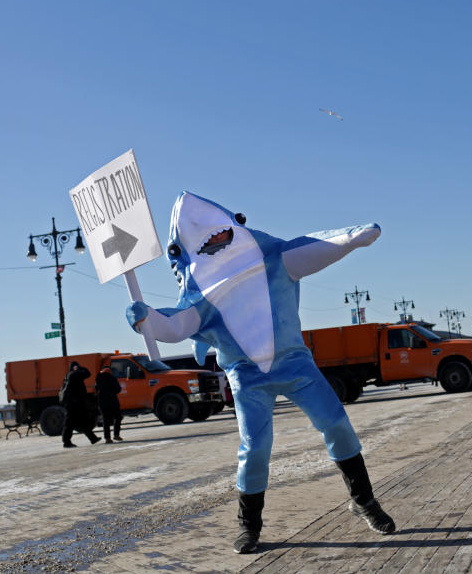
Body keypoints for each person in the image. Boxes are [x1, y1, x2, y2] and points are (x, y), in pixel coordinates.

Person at [127, 192, 395, 554]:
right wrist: (147, 319)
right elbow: (175, 325)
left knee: (336, 424)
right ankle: (249, 526)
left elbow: (316, 247)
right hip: (246, 376)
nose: (213, 236)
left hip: (295, 364)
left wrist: (352, 237)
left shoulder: (274, 258)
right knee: (254, 450)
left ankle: (363, 501)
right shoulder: (201, 296)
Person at [61, 361, 100, 448]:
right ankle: (66, 442)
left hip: (74, 403)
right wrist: (80, 368)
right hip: (73, 403)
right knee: (70, 423)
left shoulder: (68, 375)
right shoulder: (74, 375)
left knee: (82, 421)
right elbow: (88, 373)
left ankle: (93, 438)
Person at [95, 365, 123, 443]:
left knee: (106, 420)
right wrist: (112, 392)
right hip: (112, 401)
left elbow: (96, 388)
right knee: (117, 417)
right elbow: (118, 389)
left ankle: (107, 438)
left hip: (102, 402)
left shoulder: (98, 378)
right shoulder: (112, 378)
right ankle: (116, 435)